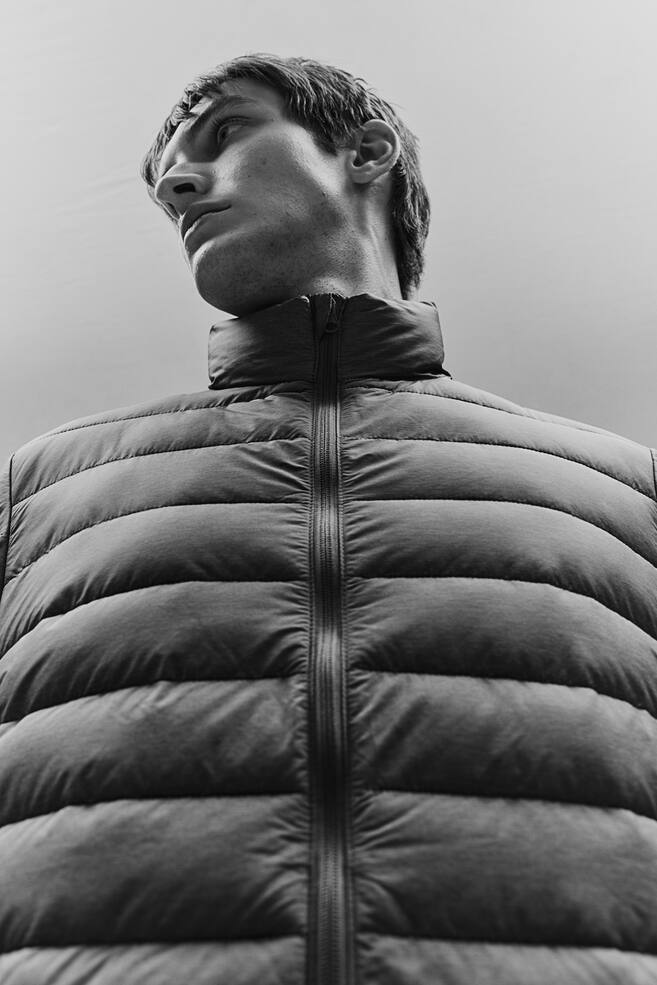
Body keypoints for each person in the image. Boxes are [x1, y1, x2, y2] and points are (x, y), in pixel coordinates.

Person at [0, 52, 656, 985]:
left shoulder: (629, 495)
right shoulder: (33, 497)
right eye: (166, 177)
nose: (178, 184)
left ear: (366, 152)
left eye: (225, 132)